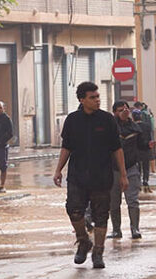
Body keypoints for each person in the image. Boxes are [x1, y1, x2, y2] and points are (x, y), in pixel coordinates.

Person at [52, 82, 128, 269]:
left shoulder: (107, 120)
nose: (97, 100)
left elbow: (117, 149)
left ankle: (98, 252)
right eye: (92, 97)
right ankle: (83, 240)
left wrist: (124, 175)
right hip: (77, 176)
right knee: (74, 209)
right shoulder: (72, 120)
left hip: (102, 176)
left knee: (101, 216)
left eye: (98, 97)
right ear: (82, 100)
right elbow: (66, 147)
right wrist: (58, 169)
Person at [109, 101, 150, 240]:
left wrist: (148, 145)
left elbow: (141, 146)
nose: (125, 111)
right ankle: (116, 230)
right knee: (114, 201)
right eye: (121, 110)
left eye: (127, 109)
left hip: (131, 167)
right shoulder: (110, 129)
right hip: (113, 170)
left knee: (132, 200)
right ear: (115, 112)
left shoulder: (135, 128)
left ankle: (135, 228)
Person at [134, 101, 156, 190]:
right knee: (145, 166)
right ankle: (145, 180)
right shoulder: (147, 125)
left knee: (138, 166)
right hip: (146, 149)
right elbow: (150, 135)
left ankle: (139, 181)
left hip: (137, 150)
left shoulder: (133, 126)